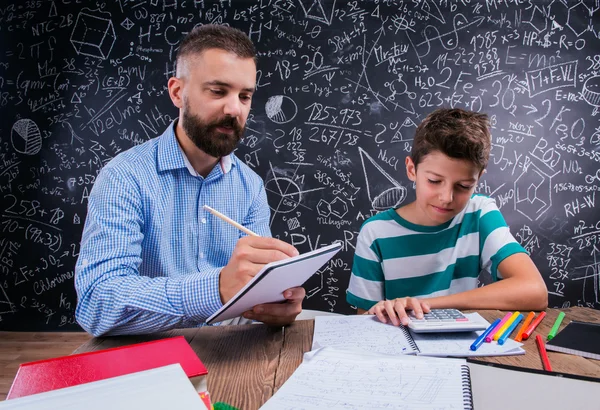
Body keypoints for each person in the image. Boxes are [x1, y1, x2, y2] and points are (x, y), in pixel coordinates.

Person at [75, 25, 305, 337]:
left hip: (229, 350)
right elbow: (97, 305)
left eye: (245, 96)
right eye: (218, 91)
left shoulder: (249, 186)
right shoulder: (124, 176)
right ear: (177, 92)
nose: (234, 108)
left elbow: (257, 288)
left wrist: (275, 303)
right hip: (146, 359)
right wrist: (216, 288)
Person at [346, 108, 548, 326]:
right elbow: (363, 324)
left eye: (463, 186)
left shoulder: (479, 212)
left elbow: (534, 291)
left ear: (478, 179)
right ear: (412, 169)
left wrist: (425, 304)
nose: (446, 198)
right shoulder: (375, 233)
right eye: (434, 181)